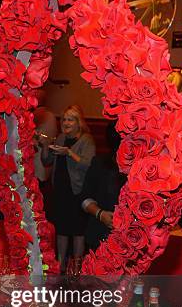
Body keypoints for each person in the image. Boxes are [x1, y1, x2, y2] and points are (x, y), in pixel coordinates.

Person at [41, 104, 95, 271]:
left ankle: (76, 268)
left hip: (77, 191)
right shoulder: (60, 138)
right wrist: (44, 146)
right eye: (64, 119)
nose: (66, 122)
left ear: (79, 122)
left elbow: (89, 165)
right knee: (62, 229)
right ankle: (60, 265)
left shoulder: (87, 140)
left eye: (70, 119)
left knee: (78, 231)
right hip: (61, 191)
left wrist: (69, 153)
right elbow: (46, 161)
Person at [81, 123, 124, 251]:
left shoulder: (139, 168)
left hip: (128, 239)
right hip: (99, 236)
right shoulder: (99, 163)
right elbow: (85, 198)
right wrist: (101, 214)